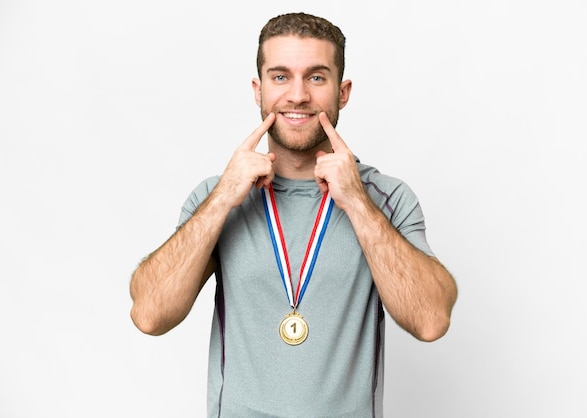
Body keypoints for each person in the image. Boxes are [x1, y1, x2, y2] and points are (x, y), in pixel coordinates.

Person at [130, 12, 457, 417]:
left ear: (343, 92)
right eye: (280, 77)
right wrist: (221, 200)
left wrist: (355, 200)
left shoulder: (386, 198)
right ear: (258, 90)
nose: (298, 95)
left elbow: (431, 320)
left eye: (317, 77)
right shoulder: (217, 198)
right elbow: (149, 314)